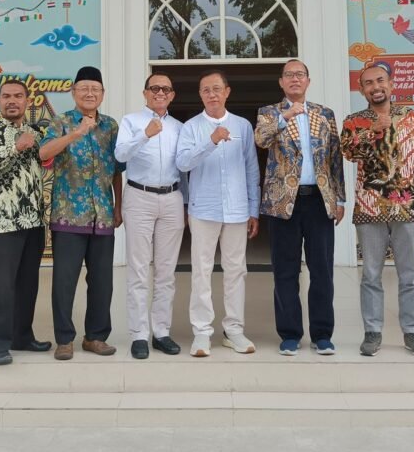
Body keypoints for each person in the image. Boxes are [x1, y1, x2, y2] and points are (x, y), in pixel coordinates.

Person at [340, 62, 414, 358]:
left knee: (410, 274)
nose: (375, 87)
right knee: (371, 273)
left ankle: (413, 332)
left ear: (391, 84)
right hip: (370, 207)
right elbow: (347, 152)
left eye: (380, 81)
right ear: (362, 90)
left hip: (407, 205)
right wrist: (371, 132)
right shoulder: (354, 121)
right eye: (368, 83)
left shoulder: (410, 117)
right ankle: (372, 332)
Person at [254, 59, 346, 357]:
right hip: (283, 203)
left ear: (308, 81)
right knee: (285, 270)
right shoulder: (269, 113)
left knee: (322, 270)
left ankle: (322, 335)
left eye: (300, 75)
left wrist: (340, 199)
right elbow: (261, 139)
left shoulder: (325, 114)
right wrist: (285, 117)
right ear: (281, 82)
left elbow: (335, 158)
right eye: (289, 75)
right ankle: (290, 334)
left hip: (319, 200)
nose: (295, 79)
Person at [39, 66, 124, 361]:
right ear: (73, 92)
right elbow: (44, 152)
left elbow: (117, 170)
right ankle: (64, 339)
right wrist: (76, 133)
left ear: (102, 94)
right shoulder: (61, 122)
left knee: (102, 281)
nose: (90, 93)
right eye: (84, 88)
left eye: (95, 89)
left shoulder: (111, 126)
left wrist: (118, 205)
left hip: (102, 216)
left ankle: (96, 337)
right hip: (68, 217)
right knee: (64, 281)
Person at [176, 70, 260, 358]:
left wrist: (253, 208)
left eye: (216, 89)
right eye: (205, 90)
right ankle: (201, 332)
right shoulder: (191, 127)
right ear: (200, 95)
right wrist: (210, 141)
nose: (211, 94)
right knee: (201, 271)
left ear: (227, 91)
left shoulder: (243, 126)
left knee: (236, 271)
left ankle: (234, 329)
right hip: (204, 209)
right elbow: (183, 163)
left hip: (237, 209)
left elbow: (251, 168)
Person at [0, 78, 50, 366]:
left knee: (27, 284)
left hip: (33, 221)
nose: (12, 101)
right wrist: (17, 148)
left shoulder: (34, 132)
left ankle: (21, 335)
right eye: (6, 96)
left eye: (18, 96)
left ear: (27, 102)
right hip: (3, 224)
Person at [115, 72, 186, 359]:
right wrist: (145, 134)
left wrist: (188, 204)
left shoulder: (180, 127)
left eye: (165, 89)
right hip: (139, 196)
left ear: (172, 95)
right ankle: (139, 334)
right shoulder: (131, 121)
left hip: (171, 198)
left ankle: (161, 332)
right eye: (154, 88)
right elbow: (120, 156)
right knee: (139, 269)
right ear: (145, 93)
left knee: (167, 271)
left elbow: (184, 168)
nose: (160, 92)